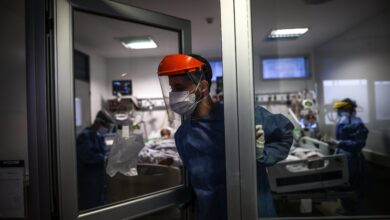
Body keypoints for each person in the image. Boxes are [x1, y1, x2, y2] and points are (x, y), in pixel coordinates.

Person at [157, 54, 293, 219]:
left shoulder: (239, 116)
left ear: (203, 87)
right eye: (172, 89)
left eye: (179, 88)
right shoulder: (183, 135)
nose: (173, 95)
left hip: (252, 210)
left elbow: (284, 132)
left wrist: (262, 154)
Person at [331, 98, 369, 215]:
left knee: (352, 184)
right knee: (343, 183)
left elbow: (358, 144)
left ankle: (354, 211)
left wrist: (339, 143)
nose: (338, 112)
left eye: (340, 110)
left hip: (352, 158)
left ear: (347, 109)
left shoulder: (356, 123)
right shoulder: (342, 121)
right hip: (342, 157)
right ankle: (347, 208)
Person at [76, 110, 116, 210]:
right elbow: (87, 156)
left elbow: (103, 152)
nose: (106, 129)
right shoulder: (85, 136)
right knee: (89, 206)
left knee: (99, 205)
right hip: (88, 179)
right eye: (105, 126)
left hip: (98, 178)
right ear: (98, 123)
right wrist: (104, 158)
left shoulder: (98, 136)